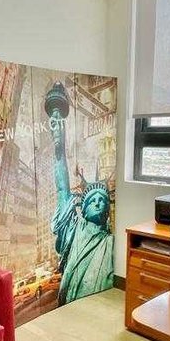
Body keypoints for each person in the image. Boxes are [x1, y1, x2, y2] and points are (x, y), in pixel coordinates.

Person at [46, 82, 114, 305]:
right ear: (82, 209)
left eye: (102, 201)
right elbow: (62, 185)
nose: (98, 203)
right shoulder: (73, 230)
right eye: (93, 200)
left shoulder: (110, 242)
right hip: (71, 300)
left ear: (107, 211)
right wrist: (58, 142)